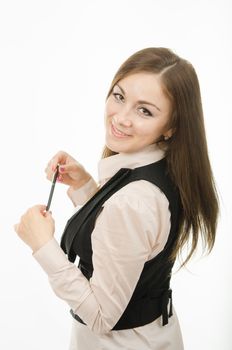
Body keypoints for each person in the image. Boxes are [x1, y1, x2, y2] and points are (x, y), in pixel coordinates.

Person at [14, 47, 219, 350]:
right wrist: (86, 187)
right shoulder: (165, 168)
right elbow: (131, 239)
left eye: (145, 110)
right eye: (120, 96)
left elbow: (100, 317)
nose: (121, 118)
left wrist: (42, 245)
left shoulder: (133, 202)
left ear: (171, 127)